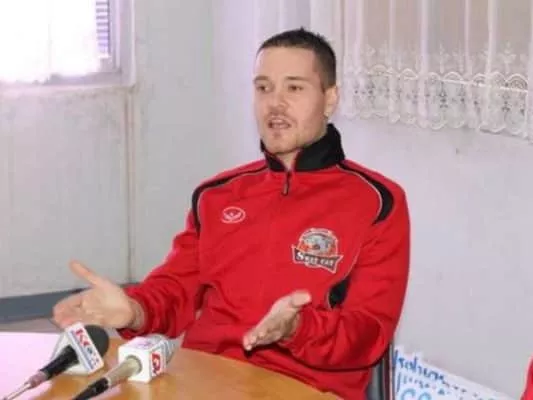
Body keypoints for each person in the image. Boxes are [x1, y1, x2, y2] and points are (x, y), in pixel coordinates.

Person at [53, 28, 410, 400]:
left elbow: (369, 333)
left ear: (330, 98)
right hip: (205, 379)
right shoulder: (217, 195)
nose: (275, 104)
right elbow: (175, 291)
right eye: (263, 88)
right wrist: (133, 310)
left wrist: (297, 328)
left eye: (294, 88)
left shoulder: (377, 201)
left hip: (305, 389)